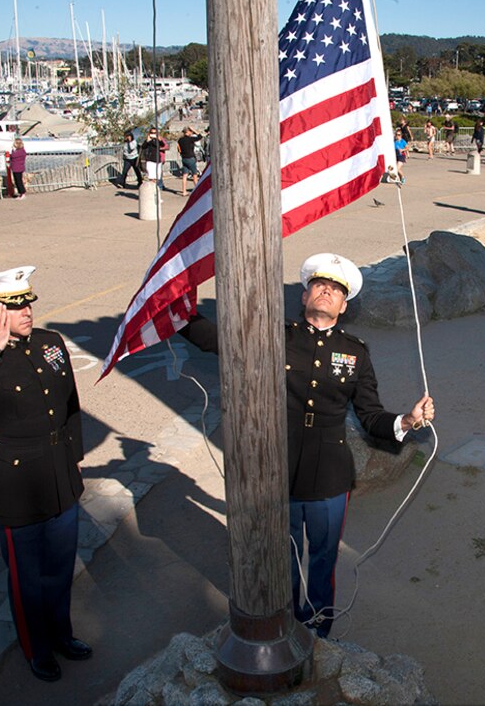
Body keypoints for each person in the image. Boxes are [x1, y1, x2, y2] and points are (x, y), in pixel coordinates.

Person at [178, 254, 435, 638]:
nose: (327, 290)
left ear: (344, 306)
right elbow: (220, 340)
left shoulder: (356, 352)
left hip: (329, 476)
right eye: (319, 284)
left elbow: (370, 415)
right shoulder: (277, 336)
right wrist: (177, 314)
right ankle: (282, 624)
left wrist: (409, 420)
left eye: (336, 289)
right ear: (304, 295)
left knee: (323, 559)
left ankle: (317, 630)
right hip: (277, 469)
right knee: (280, 557)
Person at [0, 266, 91, 682]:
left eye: (28, 301)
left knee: (61, 569)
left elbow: (71, 406)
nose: (27, 310)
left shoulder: (50, 342)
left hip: (60, 475)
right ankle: (37, 649)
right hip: (17, 483)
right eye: (15, 305)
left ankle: (62, 634)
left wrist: (74, 458)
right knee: (27, 578)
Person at [177, 126, 201, 195]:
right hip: (190, 157)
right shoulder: (190, 139)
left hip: (184, 158)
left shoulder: (180, 140)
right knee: (194, 175)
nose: (192, 132)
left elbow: (178, 149)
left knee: (185, 175)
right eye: (191, 131)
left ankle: (184, 191)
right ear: (188, 132)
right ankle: (197, 190)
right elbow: (200, 136)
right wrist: (194, 130)